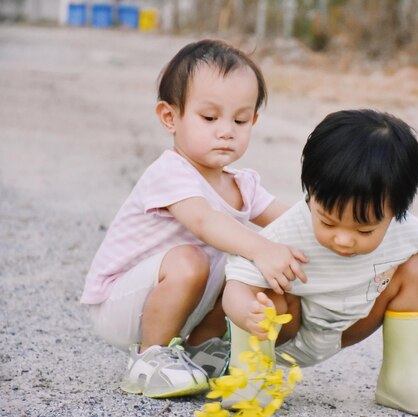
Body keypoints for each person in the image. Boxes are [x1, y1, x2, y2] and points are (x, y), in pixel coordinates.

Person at [222, 109, 418, 415]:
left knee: (417, 268)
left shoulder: (405, 232)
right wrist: (244, 311)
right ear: (311, 193)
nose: (343, 239)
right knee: (264, 291)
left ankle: (402, 379)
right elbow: (237, 280)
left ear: (396, 210)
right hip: (283, 331)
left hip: (348, 327)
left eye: (364, 229)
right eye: (327, 223)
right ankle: (252, 378)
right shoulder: (287, 230)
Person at [80, 39, 308, 399]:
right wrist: (262, 247)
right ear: (171, 117)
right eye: (209, 117)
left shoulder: (244, 184)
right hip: (123, 301)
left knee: (244, 269)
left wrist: (338, 229)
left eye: (240, 119)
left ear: (254, 121)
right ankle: (148, 359)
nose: (226, 130)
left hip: (184, 300)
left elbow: (295, 221)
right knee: (197, 256)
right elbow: (204, 221)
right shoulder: (171, 172)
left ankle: (202, 352)